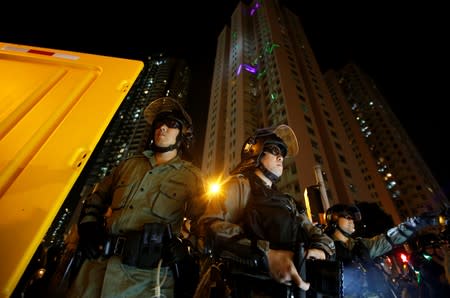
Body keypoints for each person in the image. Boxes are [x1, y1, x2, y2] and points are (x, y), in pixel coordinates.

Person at [67, 97, 208, 298]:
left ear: (183, 135)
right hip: (97, 269)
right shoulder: (128, 165)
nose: (163, 128)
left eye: (172, 125)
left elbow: (204, 220)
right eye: (159, 123)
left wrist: (187, 247)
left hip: (147, 278)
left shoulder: (192, 176)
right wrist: (89, 226)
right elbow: (96, 196)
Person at [194, 125, 336, 298]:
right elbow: (209, 226)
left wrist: (320, 250)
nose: (280, 157)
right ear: (256, 152)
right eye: (274, 150)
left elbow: (316, 232)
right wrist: (265, 255)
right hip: (248, 288)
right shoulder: (240, 185)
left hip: (295, 288)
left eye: (283, 154)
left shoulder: (288, 201)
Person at [324, 203, 442, 297]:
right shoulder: (325, 250)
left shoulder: (361, 245)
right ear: (333, 219)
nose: (352, 220)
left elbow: (389, 238)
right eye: (347, 217)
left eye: (353, 218)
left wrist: (417, 222)